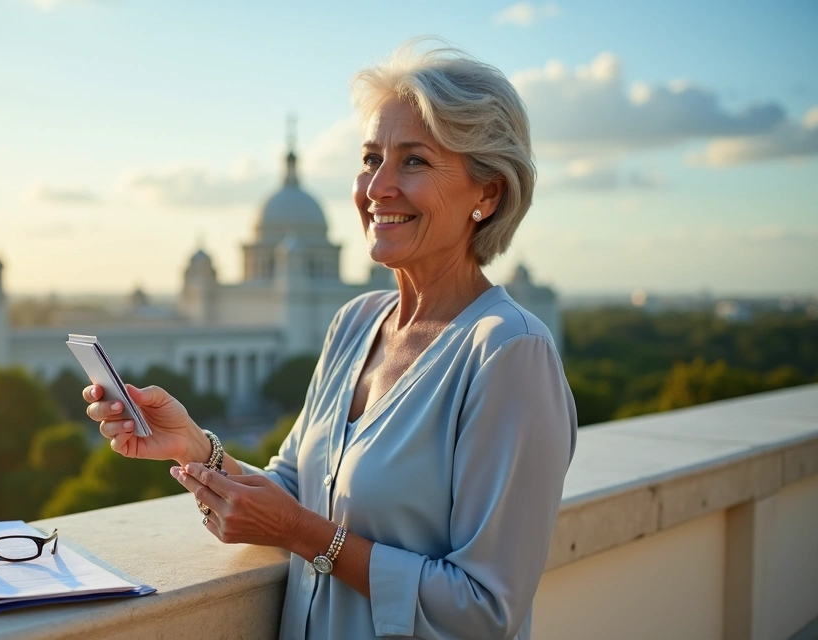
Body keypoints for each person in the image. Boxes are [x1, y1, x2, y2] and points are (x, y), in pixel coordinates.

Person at [83, 38, 576, 640]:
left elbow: (484, 608)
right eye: (371, 158)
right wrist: (193, 446)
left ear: (488, 192)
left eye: (414, 161)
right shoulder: (355, 323)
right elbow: (295, 488)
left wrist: (301, 534)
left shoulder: (508, 353)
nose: (377, 188)